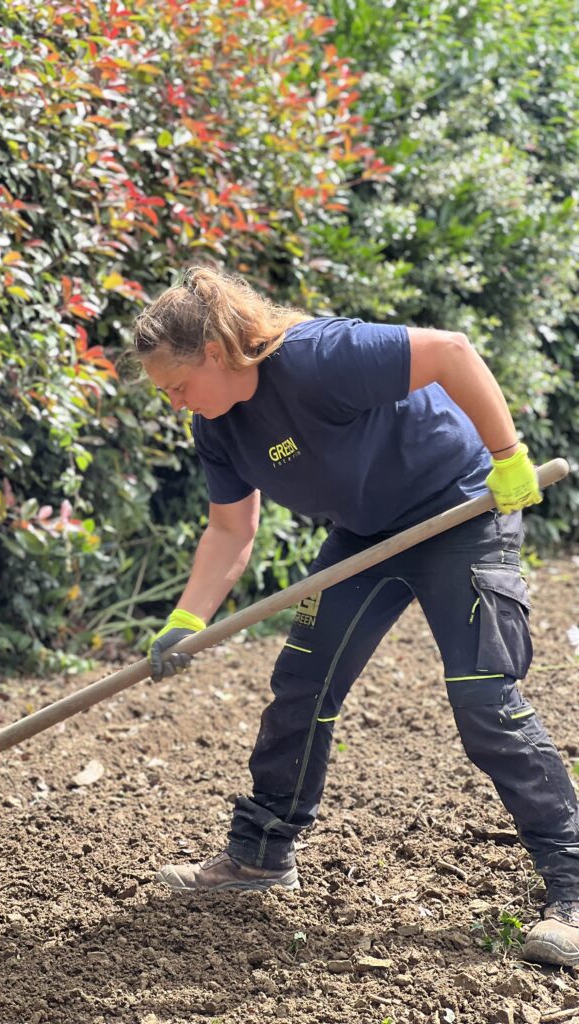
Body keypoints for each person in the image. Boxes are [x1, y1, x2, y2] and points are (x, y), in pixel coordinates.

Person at [132, 265, 579, 968]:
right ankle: (260, 858)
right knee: (302, 686)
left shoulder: (315, 358)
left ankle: (574, 886)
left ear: (215, 352)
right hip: (363, 537)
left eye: (178, 383)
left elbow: (452, 351)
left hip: (459, 508)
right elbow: (229, 532)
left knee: (485, 701)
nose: (175, 400)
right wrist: (187, 621)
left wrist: (507, 455)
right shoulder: (217, 425)